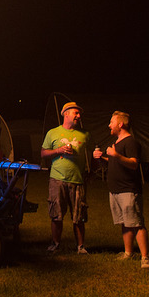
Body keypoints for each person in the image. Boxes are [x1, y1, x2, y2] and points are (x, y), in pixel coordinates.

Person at [94, 111, 149, 269]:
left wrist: (116, 155)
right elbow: (114, 163)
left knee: (136, 223)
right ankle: (128, 252)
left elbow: (133, 164)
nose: (109, 125)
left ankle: (145, 257)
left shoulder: (131, 142)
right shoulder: (117, 142)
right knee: (125, 222)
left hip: (128, 189)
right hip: (115, 189)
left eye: (112, 122)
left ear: (120, 124)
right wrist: (102, 158)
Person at [40, 101, 91, 254]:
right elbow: (43, 153)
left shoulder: (85, 134)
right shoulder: (52, 133)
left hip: (77, 179)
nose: (79, 116)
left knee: (79, 216)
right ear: (66, 114)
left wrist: (92, 170)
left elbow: (94, 152)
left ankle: (80, 246)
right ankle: (55, 244)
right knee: (56, 214)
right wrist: (58, 151)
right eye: (76, 113)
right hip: (57, 179)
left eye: (79, 113)